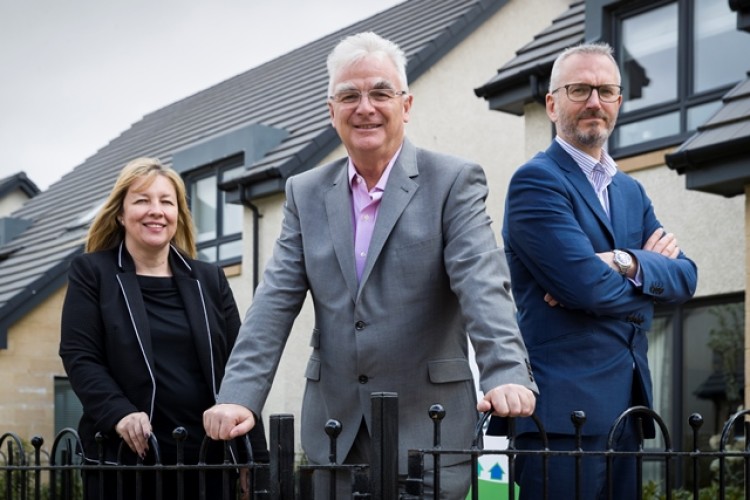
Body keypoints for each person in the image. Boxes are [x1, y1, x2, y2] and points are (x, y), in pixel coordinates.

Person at [203, 31, 537, 497]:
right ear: (331, 109)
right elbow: (274, 300)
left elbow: (482, 281)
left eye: (381, 92)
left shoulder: (453, 181)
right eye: (349, 95)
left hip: (430, 429)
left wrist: (504, 370)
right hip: (336, 431)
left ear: (406, 104)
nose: (365, 107)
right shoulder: (304, 192)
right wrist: (239, 394)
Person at [497, 42, 698, 499]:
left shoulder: (631, 191)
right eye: (580, 89)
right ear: (552, 103)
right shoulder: (537, 181)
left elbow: (686, 278)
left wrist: (623, 261)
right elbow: (586, 287)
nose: (594, 102)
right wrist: (647, 279)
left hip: (627, 411)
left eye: (606, 91)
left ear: (619, 103)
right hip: (562, 418)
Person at [59, 157, 269, 500]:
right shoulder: (92, 273)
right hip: (125, 461)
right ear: (120, 214)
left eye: (166, 202)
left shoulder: (209, 279)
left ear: (178, 215)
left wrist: (254, 457)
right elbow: (80, 356)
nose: (156, 210)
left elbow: (240, 364)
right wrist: (119, 413)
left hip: (207, 463)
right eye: (142, 200)